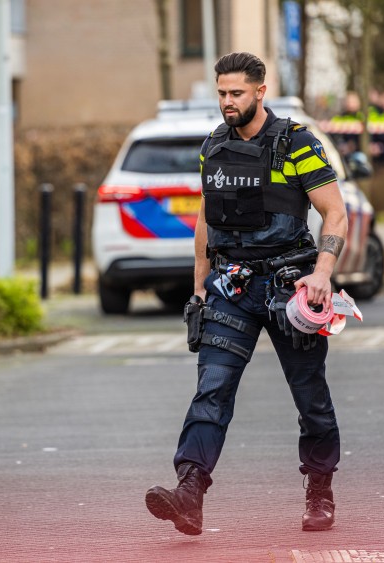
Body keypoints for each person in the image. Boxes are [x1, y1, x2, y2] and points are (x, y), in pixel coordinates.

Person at [144, 52, 348, 535]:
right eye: (221, 93)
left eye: (236, 93)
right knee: (211, 390)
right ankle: (189, 492)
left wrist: (322, 274)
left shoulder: (296, 143)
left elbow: (335, 214)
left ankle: (320, 488)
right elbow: (205, 219)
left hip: (289, 288)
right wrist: (197, 289)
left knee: (310, 396)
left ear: (260, 91)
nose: (227, 102)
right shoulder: (213, 146)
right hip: (230, 288)